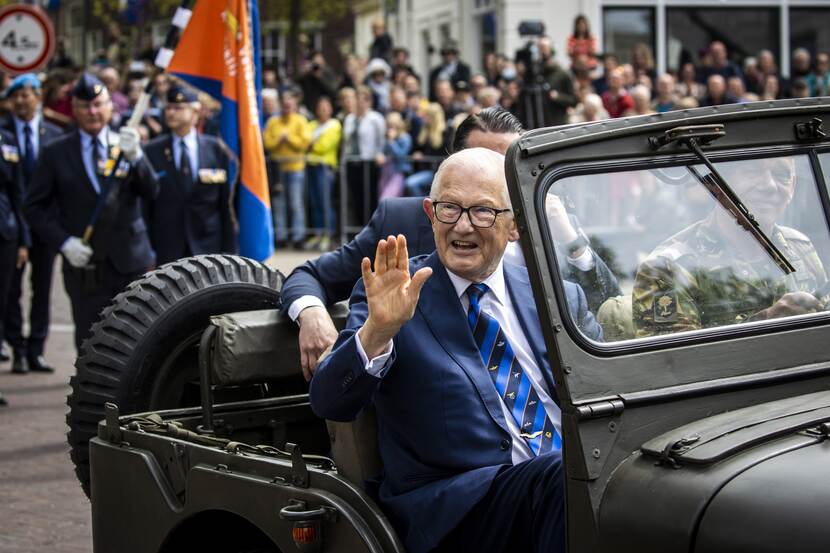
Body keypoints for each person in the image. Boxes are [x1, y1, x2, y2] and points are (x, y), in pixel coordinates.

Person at [310, 148, 586, 553]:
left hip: (559, 486)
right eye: (450, 208)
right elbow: (329, 401)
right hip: (456, 509)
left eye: (483, 211)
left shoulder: (556, 293)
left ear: (515, 225)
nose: (463, 225)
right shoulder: (398, 293)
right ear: (430, 213)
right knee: (567, 479)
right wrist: (378, 331)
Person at [282, 107, 619, 378]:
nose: (491, 176)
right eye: (480, 162)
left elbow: (608, 306)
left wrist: (569, 239)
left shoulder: (544, 221)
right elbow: (309, 275)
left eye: (505, 166)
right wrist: (312, 315)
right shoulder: (401, 222)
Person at [24, 73, 159, 350]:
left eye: (98, 104)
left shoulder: (126, 144)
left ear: (110, 107)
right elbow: (34, 207)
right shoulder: (56, 152)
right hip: (85, 265)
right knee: (91, 343)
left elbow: (152, 191)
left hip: (130, 260)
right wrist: (63, 242)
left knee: (137, 340)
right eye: (85, 106)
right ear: (74, 109)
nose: (93, 112)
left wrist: (137, 158)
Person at [633, 157, 826, 338]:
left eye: (781, 175)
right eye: (751, 171)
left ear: (792, 187)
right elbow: (676, 359)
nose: (769, 185)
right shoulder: (668, 268)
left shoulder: (799, 246)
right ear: (718, 184)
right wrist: (768, 322)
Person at [1, 74, 62, 374]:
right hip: (12, 226)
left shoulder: (54, 135)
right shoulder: (3, 133)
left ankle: (37, 349)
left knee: (42, 289)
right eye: (16, 96)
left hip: (45, 226)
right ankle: (18, 349)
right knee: (11, 290)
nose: (22, 101)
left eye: (27, 95)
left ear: (39, 98)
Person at [143, 85, 238, 266]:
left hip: (208, 245)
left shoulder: (215, 149)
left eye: (178, 108)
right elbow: (146, 205)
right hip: (167, 245)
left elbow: (225, 204)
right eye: (168, 108)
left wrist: (229, 250)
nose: (171, 113)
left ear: (195, 112)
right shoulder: (152, 150)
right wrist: (148, 251)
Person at [263, 88, 312, 249]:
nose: (287, 107)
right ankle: (281, 236)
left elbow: (305, 143)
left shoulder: (301, 121)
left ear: (295, 106)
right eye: (284, 105)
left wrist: (288, 138)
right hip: (276, 169)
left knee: (296, 203)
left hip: (295, 168)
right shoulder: (273, 122)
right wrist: (279, 140)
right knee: (279, 204)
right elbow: (267, 143)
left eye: (289, 105)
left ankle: (298, 237)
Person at [0, 123, 26, 375]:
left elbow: (17, 192)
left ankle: (19, 351)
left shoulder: (6, 138)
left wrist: (24, 240)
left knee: (8, 297)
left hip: (5, 232)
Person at [306, 96, 341, 251]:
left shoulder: (334, 124)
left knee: (325, 202)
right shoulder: (312, 124)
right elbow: (303, 142)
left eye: (326, 107)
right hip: (311, 166)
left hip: (325, 168)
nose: (323, 110)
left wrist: (312, 144)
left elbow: (324, 146)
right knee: (315, 202)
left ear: (330, 109)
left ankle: (329, 234)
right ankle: (319, 233)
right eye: (320, 107)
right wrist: (311, 144)